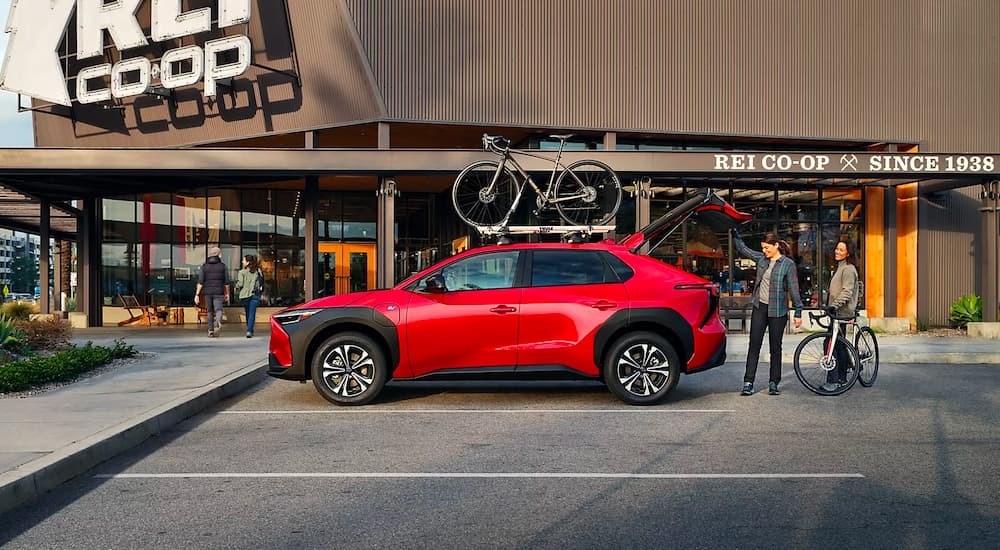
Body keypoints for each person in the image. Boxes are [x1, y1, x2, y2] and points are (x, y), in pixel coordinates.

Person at [733, 230, 804, 396]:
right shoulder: (761, 259)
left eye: (767, 248)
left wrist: (798, 312)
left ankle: (773, 382)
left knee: (775, 347)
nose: (764, 251)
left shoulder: (788, 264)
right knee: (754, 345)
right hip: (760, 307)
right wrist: (735, 233)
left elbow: (794, 289)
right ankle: (748, 382)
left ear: (776, 245)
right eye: (763, 248)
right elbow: (744, 250)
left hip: (778, 310)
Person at [821, 240, 860, 392]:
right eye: (836, 249)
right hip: (836, 312)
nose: (837, 251)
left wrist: (833, 306)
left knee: (829, 343)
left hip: (842, 312)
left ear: (848, 253)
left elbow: (847, 291)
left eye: (841, 249)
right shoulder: (840, 268)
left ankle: (833, 381)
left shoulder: (848, 269)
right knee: (839, 344)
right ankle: (842, 378)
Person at [195, 246, 230, 338]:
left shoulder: (204, 266)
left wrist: (197, 294)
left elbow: (200, 281)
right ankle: (217, 323)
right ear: (218, 254)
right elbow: (226, 282)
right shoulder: (223, 266)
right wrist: (227, 293)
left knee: (210, 311)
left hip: (208, 292)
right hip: (219, 291)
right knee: (218, 310)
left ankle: (210, 330)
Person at [234, 254, 263, 338]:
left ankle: (249, 330)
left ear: (247, 262)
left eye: (243, 260)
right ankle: (250, 330)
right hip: (255, 294)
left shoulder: (242, 272)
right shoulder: (258, 271)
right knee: (252, 313)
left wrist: (236, 286)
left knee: (248, 313)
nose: (242, 261)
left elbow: (240, 283)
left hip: (245, 295)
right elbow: (262, 281)